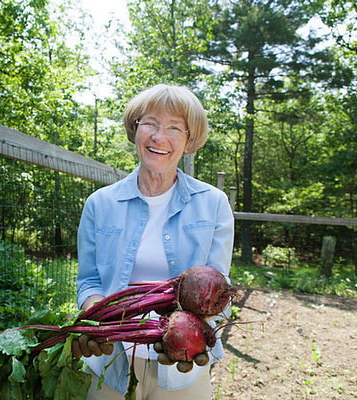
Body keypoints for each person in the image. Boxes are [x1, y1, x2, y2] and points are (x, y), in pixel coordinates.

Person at [75, 83, 234, 399]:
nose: (159, 137)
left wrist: (195, 331)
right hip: (109, 359)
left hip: (181, 366)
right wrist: (94, 319)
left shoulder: (213, 203)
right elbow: (90, 280)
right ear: (135, 130)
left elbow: (219, 287)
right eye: (150, 123)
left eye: (175, 128)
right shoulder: (100, 203)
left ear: (189, 141)